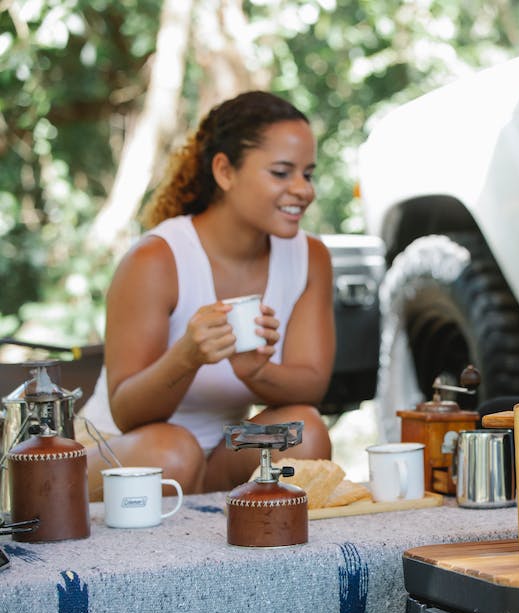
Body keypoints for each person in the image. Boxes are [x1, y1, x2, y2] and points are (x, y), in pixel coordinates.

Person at [80, 91, 334, 500]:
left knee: (304, 432)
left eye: (308, 174)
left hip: (222, 450)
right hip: (120, 449)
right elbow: (127, 413)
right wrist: (188, 355)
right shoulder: (156, 258)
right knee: (174, 453)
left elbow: (311, 387)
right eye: (282, 172)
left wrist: (255, 371)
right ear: (225, 171)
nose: (303, 190)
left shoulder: (311, 257)